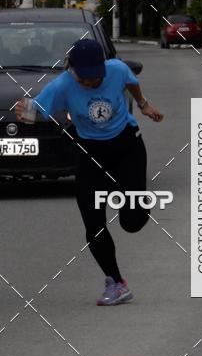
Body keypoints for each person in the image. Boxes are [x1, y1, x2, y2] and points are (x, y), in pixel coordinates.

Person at [15, 39, 164, 306]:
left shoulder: (117, 69)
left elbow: (131, 82)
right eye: (85, 78)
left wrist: (143, 104)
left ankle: (137, 200)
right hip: (90, 152)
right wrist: (24, 112)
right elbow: (35, 111)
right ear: (72, 70)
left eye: (97, 76)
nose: (92, 82)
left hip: (127, 146)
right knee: (93, 224)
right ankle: (116, 283)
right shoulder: (62, 86)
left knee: (132, 222)